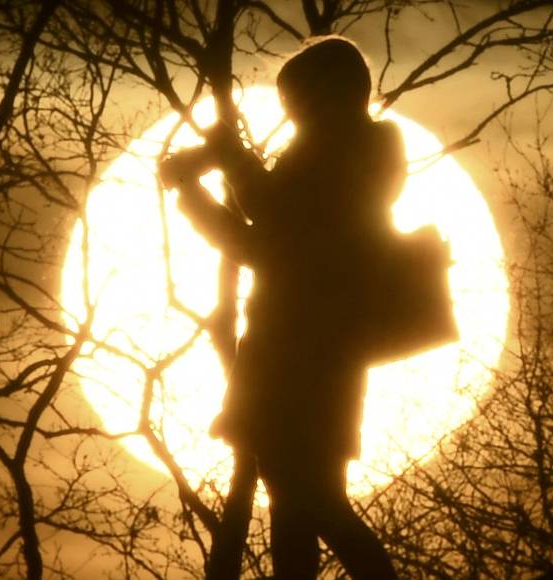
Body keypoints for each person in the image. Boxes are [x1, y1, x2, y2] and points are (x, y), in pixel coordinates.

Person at [160, 37, 402, 580]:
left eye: (297, 101)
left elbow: (274, 227)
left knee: (307, 494)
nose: (291, 114)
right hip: (293, 347)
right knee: (292, 503)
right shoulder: (331, 155)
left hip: (311, 350)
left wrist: (228, 162)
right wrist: (196, 194)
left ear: (326, 95)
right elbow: (260, 245)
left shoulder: (358, 151)